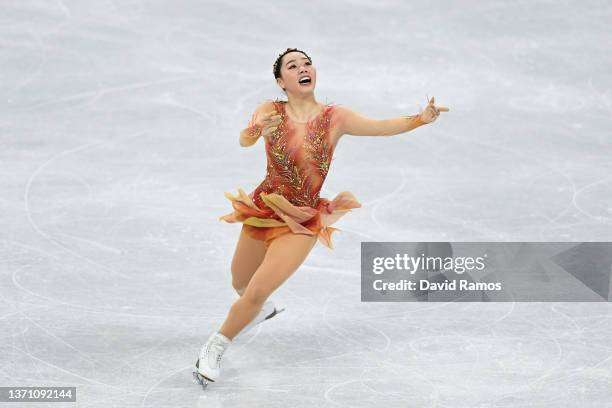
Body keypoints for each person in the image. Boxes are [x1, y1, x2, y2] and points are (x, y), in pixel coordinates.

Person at [193, 47, 449, 389]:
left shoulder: (335, 118)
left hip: (301, 221)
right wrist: (256, 131)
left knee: (253, 291)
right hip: (264, 209)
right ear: (281, 81)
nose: (303, 68)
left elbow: (381, 126)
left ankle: (214, 348)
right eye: (292, 65)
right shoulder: (270, 110)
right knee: (240, 283)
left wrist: (420, 119)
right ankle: (259, 311)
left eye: (307, 63)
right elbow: (245, 138)